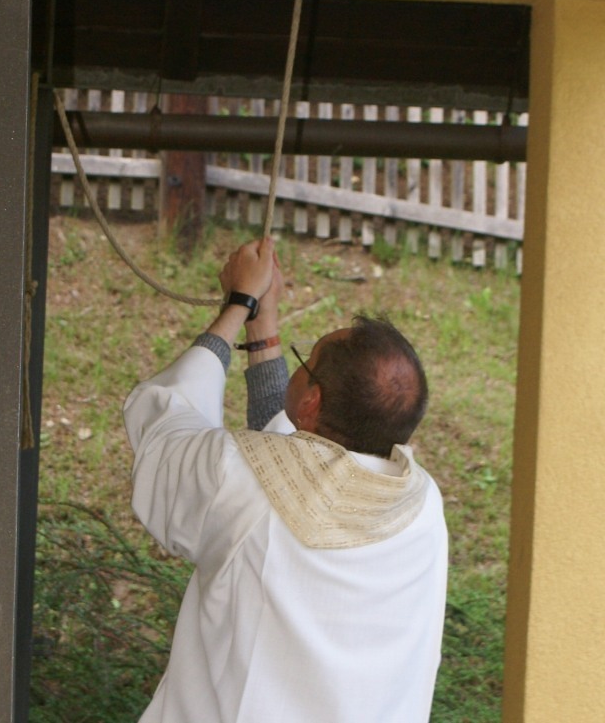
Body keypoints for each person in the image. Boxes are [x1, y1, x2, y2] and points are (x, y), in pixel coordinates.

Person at [124, 238, 448, 723]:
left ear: (312, 400)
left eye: (304, 361)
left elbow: (163, 429)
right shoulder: (423, 508)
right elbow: (287, 454)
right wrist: (264, 325)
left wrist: (237, 305)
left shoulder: (239, 480)